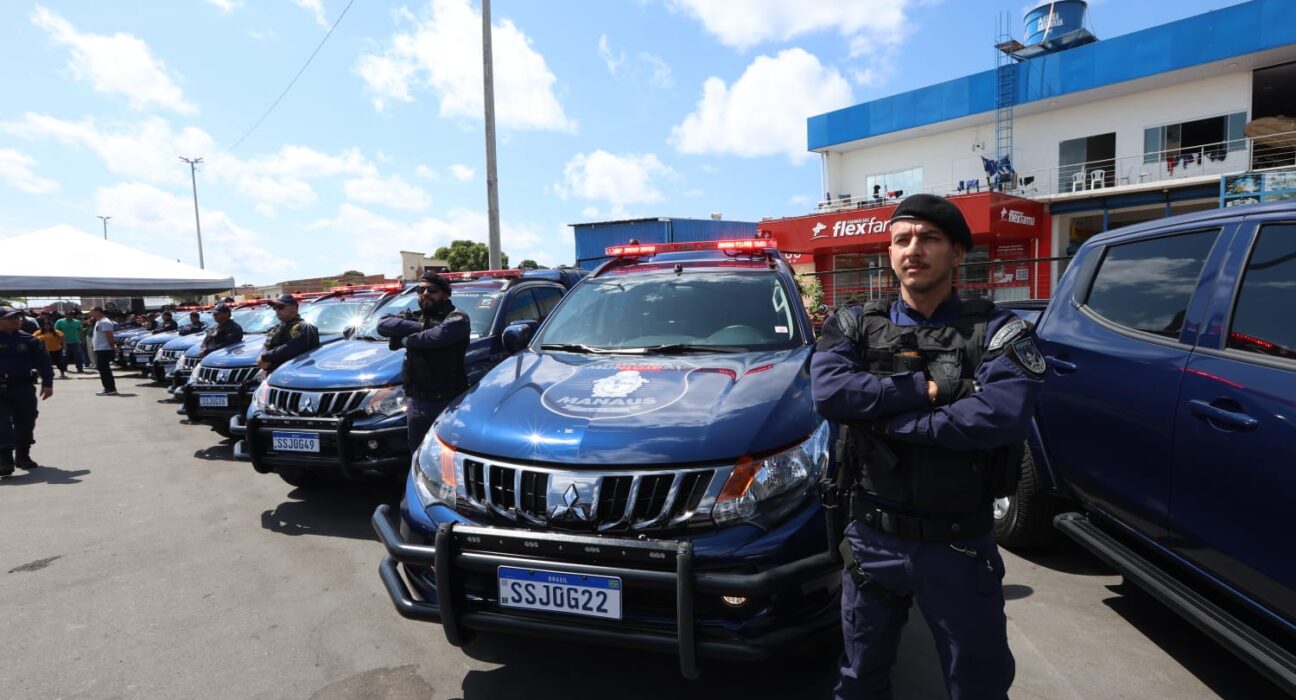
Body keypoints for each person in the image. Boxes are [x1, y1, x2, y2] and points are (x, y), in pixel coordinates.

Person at [811, 194, 1045, 700]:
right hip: (873, 538)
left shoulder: (999, 330)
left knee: (976, 685)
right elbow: (830, 392)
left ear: (957, 253)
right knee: (859, 679)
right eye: (902, 240)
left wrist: (890, 424)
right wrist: (926, 390)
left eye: (928, 238)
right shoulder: (852, 324)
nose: (912, 249)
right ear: (890, 253)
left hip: (958, 543)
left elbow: (999, 416)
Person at [377, 272, 470, 451]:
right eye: (421, 289)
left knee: (446, 457)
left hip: (447, 403)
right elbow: (383, 324)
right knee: (417, 455)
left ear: (445, 294)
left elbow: (436, 337)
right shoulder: (415, 316)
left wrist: (403, 340)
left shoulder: (457, 317)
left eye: (432, 289)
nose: (425, 293)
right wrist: (421, 327)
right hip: (416, 402)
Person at [0, 306, 54, 475]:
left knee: (26, 420)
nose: (17, 320)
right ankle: (4, 459)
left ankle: (23, 455)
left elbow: (44, 361)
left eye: (18, 317)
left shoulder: (29, 340)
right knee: (2, 423)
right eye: (11, 318)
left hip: (23, 387)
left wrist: (48, 383)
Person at [257, 294, 320, 375]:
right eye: (275, 308)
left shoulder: (306, 327)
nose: (277, 310)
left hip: (299, 375)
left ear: (294, 308)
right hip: (275, 375)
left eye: (280, 307)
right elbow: (266, 345)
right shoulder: (276, 328)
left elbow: (291, 348)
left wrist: (265, 357)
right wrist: (262, 357)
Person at [89, 307, 119, 396]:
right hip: (100, 349)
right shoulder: (99, 321)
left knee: (104, 370)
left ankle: (110, 389)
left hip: (104, 349)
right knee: (103, 369)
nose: (91, 313)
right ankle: (108, 388)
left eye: (92, 311)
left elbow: (109, 336)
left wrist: (113, 346)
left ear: (98, 312)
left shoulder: (105, 322)